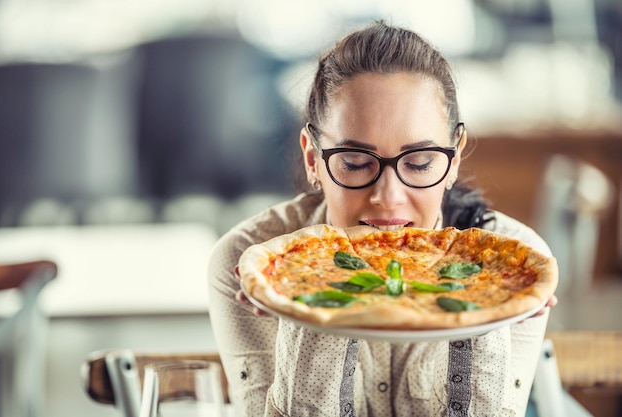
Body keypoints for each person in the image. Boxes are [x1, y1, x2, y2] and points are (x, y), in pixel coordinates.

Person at [208, 20, 557, 416]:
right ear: (312, 159)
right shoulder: (248, 262)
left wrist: (489, 314)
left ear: (454, 158)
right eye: (355, 163)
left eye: (421, 162)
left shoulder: (512, 266)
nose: (387, 197)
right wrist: (307, 308)